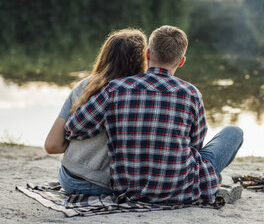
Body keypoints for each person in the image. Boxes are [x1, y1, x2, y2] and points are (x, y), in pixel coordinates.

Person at [65, 25, 243, 204]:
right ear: (181, 61)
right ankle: (210, 182)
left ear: (148, 54)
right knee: (234, 132)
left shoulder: (115, 89)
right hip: (181, 188)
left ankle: (210, 181)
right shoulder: (191, 94)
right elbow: (195, 145)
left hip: (128, 189)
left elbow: (74, 128)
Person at [44, 29, 147, 195]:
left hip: (70, 179)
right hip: (109, 185)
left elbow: (52, 145)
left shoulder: (84, 87)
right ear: (143, 59)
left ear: (105, 54)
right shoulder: (144, 93)